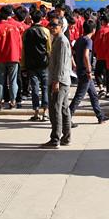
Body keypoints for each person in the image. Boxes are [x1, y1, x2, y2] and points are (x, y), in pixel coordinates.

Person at [69, 20, 109, 125]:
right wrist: (89, 70)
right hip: (85, 71)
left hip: (80, 69)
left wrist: (74, 64)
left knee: (93, 95)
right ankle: (67, 116)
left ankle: (100, 116)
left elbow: (72, 52)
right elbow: (86, 55)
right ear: (94, 30)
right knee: (79, 96)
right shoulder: (88, 41)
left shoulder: (79, 39)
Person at [43, 18, 72, 148]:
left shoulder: (61, 41)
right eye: (50, 25)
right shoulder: (57, 39)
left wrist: (56, 81)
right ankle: (66, 137)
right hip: (60, 79)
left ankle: (55, 138)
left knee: (55, 109)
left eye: (55, 25)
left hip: (60, 80)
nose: (51, 27)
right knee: (64, 109)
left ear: (61, 26)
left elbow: (61, 63)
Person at [0, 10, 22, 110]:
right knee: (13, 80)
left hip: (1, 58)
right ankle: (13, 101)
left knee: (0, 81)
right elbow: (20, 44)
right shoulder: (14, 28)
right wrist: (19, 57)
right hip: (14, 57)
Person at [23, 10, 52, 122]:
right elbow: (49, 49)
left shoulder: (26, 32)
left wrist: (23, 65)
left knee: (34, 87)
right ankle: (45, 112)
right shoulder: (46, 31)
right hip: (44, 63)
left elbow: (24, 50)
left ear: (31, 18)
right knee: (45, 87)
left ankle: (36, 112)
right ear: (42, 18)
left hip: (31, 64)